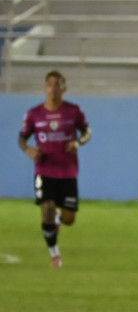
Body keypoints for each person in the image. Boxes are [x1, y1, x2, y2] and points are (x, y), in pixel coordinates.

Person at [18, 70, 92, 268]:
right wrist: (29, 150)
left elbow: (87, 132)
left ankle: (60, 218)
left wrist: (77, 143)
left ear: (64, 87)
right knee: (47, 207)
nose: (53, 88)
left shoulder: (74, 111)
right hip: (44, 170)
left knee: (70, 218)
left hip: (68, 171)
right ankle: (55, 255)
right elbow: (22, 138)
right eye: (50, 84)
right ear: (45, 87)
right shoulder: (34, 114)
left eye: (58, 84)